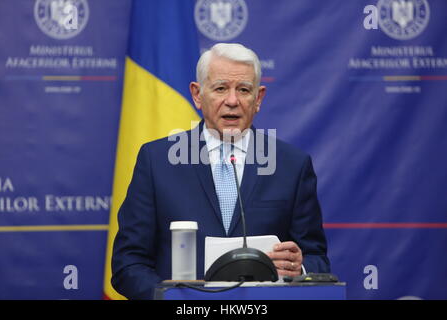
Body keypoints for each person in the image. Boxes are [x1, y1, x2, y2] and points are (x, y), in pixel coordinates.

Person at [111, 43, 330, 299]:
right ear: (197, 94)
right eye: (221, 88)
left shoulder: (292, 165)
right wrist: (171, 298)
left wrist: (299, 267)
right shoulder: (157, 161)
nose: (232, 101)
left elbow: (317, 259)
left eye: (244, 90)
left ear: (258, 98)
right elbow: (128, 263)